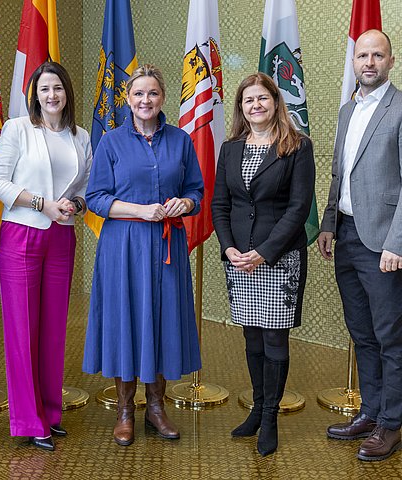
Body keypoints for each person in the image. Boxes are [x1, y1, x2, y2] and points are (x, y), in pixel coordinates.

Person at [83, 64, 203, 446]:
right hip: (124, 247)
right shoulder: (110, 142)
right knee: (127, 323)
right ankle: (124, 410)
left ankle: (156, 407)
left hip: (167, 248)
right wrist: (141, 210)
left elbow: (196, 191)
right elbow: (97, 199)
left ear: (162, 98)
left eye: (152, 93)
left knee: (162, 321)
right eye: (138, 94)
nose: (145, 100)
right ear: (128, 99)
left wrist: (184, 202)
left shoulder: (181, 140)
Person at [0, 61, 92, 451]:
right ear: (34, 94)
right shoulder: (17, 129)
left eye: (58, 89)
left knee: (53, 328)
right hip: (22, 235)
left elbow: (86, 185)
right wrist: (42, 203)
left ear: (67, 94)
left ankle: (49, 411)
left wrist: (76, 205)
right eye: (44, 89)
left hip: (62, 237)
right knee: (22, 329)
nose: (52, 96)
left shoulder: (80, 136)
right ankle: (28, 420)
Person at [212, 73, 315, 456]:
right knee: (251, 336)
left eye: (262, 99)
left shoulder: (297, 146)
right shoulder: (231, 148)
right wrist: (228, 248)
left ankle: (270, 417)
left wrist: (265, 251)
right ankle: (257, 407)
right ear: (241, 107)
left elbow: (298, 208)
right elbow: (220, 205)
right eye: (247, 100)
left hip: (279, 258)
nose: (255, 106)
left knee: (274, 338)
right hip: (239, 260)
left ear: (275, 101)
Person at [318, 29, 402, 462]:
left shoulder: (400, 108)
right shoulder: (348, 110)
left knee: (390, 335)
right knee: (362, 334)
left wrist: (397, 242)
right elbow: (338, 173)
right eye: (362, 55)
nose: (369, 62)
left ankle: (391, 423)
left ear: (391, 60)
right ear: (354, 62)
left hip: (384, 243)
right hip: (347, 235)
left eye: (377, 55)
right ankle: (370, 411)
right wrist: (329, 223)